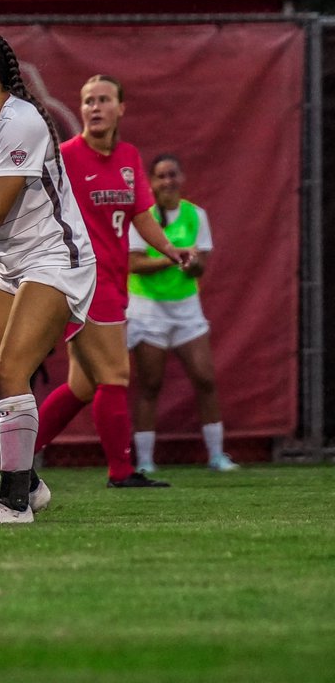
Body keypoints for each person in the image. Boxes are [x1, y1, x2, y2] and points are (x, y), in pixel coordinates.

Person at [0, 30, 96, 524]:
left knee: (10, 373)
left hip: (56, 259)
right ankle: (27, 484)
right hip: (12, 266)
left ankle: (13, 503)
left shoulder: (22, 122)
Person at [30, 75, 189, 488]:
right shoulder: (64, 156)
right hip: (82, 277)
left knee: (82, 385)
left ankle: (16, 457)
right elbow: (34, 212)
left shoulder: (129, 156)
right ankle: (122, 472)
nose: (95, 108)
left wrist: (170, 250)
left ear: (121, 108)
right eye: (87, 101)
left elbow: (140, 215)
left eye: (104, 100)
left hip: (114, 279)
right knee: (116, 374)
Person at [128, 154, 238, 472]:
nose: (167, 181)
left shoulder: (195, 215)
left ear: (182, 177)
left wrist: (193, 262)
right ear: (151, 182)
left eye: (172, 174)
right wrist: (172, 257)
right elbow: (134, 264)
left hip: (187, 308)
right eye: (161, 176)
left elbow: (198, 268)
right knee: (150, 384)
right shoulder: (143, 216)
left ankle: (217, 455)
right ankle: (146, 461)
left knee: (205, 379)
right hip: (147, 309)